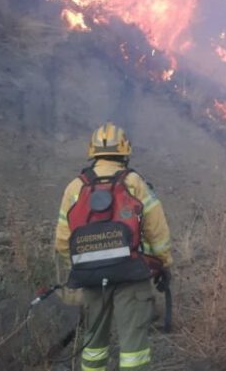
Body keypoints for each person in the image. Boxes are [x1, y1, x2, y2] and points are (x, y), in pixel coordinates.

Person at [54, 122, 172, 370]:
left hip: (91, 278)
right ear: (124, 151)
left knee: (93, 346)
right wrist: (163, 262)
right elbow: (156, 229)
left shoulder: (75, 187)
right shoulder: (134, 182)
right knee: (134, 349)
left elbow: (63, 240)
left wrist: (81, 267)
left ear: (92, 152)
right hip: (131, 275)